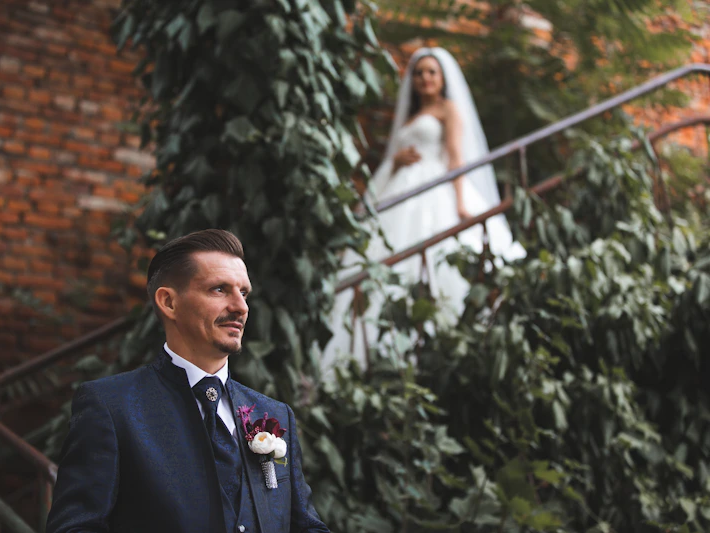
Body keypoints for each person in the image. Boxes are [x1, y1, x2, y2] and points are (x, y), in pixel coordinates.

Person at [47, 229, 329, 533]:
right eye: (220, 289)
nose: (241, 307)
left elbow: (306, 527)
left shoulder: (272, 415)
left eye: (244, 292)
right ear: (169, 302)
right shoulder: (111, 407)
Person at [323, 47, 525, 368]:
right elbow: (397, 152)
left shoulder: (449, 110)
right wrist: (396, 160)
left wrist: (460, 202)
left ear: (443, 78)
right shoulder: (411, 116)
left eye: (431, 72)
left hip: (436, 187)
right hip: (401, 187)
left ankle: (436, 340)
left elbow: (456, 155)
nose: (424, 78)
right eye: (418, 73)